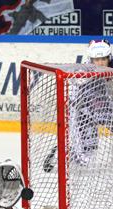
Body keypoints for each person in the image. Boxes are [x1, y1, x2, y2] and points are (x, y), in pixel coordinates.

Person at [43, 39, 113, 172]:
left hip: (105, 107)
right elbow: (74, 95)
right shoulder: (84, 71)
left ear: (109, 57)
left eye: (104, 59)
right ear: (91, 59)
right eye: (96, 59)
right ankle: (63, 152)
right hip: (84, 111)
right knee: (86, 157)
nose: (100, 63)